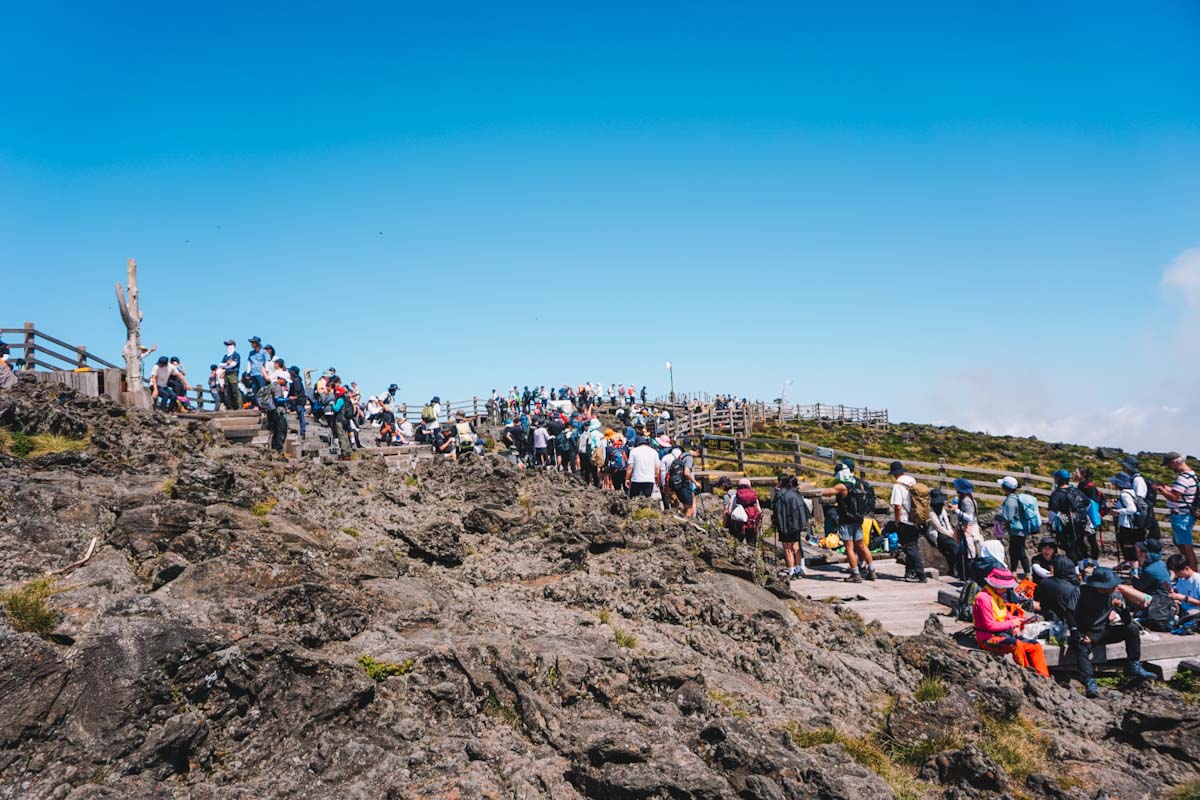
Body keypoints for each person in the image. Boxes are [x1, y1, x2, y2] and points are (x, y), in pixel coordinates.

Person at [1070, 567, 1155, 698]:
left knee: (1132, 628)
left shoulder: (1115, 595)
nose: (1112, 588)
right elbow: (1069, 613)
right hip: (1085, 630)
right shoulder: (1081, 591)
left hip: (1104, 631)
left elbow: (1127, 621)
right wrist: (1075, 631)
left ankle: (1134, 664)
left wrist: (1121, 608)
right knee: (1081, 646)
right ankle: (1088, 680)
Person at [972, 567, 1049, 678]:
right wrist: (1012, 623)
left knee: (1035, 646)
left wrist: (1022, 621)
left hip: (1003, 634)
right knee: (1015, 644)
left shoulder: (997, 596)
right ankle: (1026, 675)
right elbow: (989, 625)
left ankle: (1044, 677)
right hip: (987, 638)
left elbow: (1006, 616)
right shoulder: (983, 598)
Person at [819, 460, 877, 583]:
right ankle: (872, 570)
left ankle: (855, 574)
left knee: (849, 548)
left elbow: (827, 493)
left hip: (846, 521)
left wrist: (821, 490)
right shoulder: (859, 483)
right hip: (858, 519)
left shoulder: (842, 486)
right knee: (861, 545)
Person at [1155, 452, 1197, 571]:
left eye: (1169, 465)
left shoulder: (1183, 477)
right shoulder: (1191, 475)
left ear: (1174, 463)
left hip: (1181, 515)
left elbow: (1174, 497)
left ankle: (1193, 575)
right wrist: (1165, 487)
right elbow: (1179, 492)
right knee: (1181, 544)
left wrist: (1161, 490)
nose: (1169, 468)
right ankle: (1189, 571)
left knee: (1186, 548)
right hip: (1186, 514)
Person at [889, 462, 926, 583]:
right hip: (916, 518)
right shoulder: (912, 481)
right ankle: (910, 572)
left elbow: (897, 506)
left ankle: (921, 574)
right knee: (912, 547)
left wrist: (897, 521)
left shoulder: (897, 486)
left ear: (894, 474)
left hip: (905, 520)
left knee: (910, 548)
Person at [996, 476, 1038, 577]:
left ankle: (1027, 574)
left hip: (1017, 530)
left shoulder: (1011, 500)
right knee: (1014, 550)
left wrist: (998, 516)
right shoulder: (1016, 497)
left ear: (1005, 487)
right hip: (1020, 528)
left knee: (1019, 550)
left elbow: (1007, 517)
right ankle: (1015, 572)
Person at [1048, 469, 1091, 563]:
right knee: (1079, 545)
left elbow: (1052, 512)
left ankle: (1075, 571)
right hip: (1080, 522)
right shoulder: (1076, 491)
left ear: (1058, 479)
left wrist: (1053, 522)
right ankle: (1082, 567)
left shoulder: (1057, 494)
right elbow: (1088, 504)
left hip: (1066, 525)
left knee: (1070, 548)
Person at [773, 476, 811, 579]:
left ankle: (791, 571)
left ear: (781, 482)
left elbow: (777, 511)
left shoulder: (779, 495)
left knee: (788, 549)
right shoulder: (795, 494)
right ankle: (798, 569)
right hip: (795, 525)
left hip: (784, 525)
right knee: (796, 547)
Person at [1109, 473, 1143, 568]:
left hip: (1127, 526)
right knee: (1136, 550)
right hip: (1136, 526)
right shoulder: (1133, 492)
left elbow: (1132, 509)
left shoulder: (1124, 494)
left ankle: (1135, 574)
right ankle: (1138, 572)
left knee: (1129, 552)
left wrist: (1118, 511)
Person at [1033, 555, 1079, 624]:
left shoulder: (1044, 582)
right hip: (1071, 620)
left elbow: (1039, 599)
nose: (1051, 568)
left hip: (1050, 616)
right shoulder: (1074, 587)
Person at [926, 489, 961, 578]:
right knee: (953, 546)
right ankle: (957, 568)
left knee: (955, 545)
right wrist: (947, 533)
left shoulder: (943, 510)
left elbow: (947, 522)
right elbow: (937, 526)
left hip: (947, 532)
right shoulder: (931, 512)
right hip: (937, 533)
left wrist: (951, 532)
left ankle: (954, 568)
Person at [1074, 467, 1103, 560]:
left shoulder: (1089, 486)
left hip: (1089, 516)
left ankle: (1094, 560)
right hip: (1083, 515)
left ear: (1082, 474)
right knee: (1080, 539)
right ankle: (1085, 558)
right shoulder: (1081, 485)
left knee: (1092, 539)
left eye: (1076, 472)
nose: (1074, 474)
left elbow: (1092, 503)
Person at [954, 478, 984, 565]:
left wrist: (956, 511)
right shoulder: (971, 499)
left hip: (969, 529)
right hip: (971, 528)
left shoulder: (966, 501)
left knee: (971, 552)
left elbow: (969, 517)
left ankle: (970, 574)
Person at [726, 478, 762, 546]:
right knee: (751, 544)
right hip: (752, 522)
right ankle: (752, 555)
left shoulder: (734, 497)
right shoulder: (754, 496)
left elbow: (730, 511)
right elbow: (759, 510)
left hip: (738, 524)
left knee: (738, 544)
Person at [267, 370, 288, 452]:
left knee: (276, 430)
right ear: (281, 379)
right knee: (280, 430)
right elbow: (277, 399)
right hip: (278, 411)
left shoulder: (272, 385)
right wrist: (288, 399)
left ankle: (275, 447)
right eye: (285, 381)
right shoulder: (277, 386)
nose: (286, 383)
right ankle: (278, 449)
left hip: (271, 411)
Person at [219, 339, 242, 410]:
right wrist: (227, 364)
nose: (228, 346)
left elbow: (233, 364)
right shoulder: (225, 356)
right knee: (228, 392)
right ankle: (231, 407)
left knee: (234, 391)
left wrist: (226, 365)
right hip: (227, 374)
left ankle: (238, 407)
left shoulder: (236, 355)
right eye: (227, 345)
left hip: (233, 374)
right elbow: (220, 365)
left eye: (229, 345)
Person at [287, 366, 308, 439]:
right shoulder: (295, 380)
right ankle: (302, 431)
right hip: (298, 401)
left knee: (301, 415)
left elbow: (297, 391)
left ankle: (303, 432)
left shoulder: (296, 380)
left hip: (299, 401)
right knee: (300, 415)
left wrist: (294, 399)